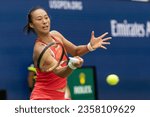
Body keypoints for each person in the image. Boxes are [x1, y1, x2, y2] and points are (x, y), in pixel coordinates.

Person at [24, 6, 111, 100]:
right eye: (39, 19)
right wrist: (72, 65)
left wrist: (89, 46)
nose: (44, 21)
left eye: (46, 17)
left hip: (61, 97)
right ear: (31, 24)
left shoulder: (56, 35)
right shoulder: (40, 49)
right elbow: (60, 72)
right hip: (43, 97)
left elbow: (75, 51)